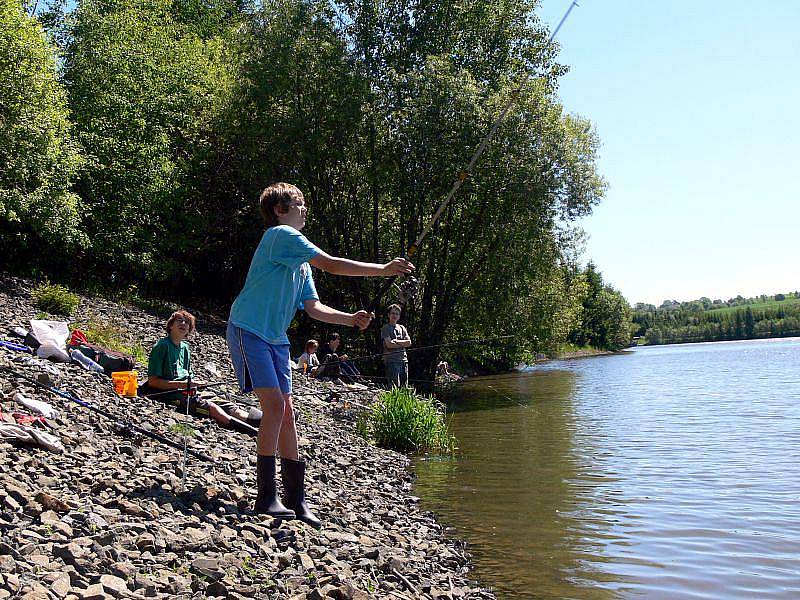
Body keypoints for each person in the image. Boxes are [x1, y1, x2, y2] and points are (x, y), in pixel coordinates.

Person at [226, 182, 414, 527]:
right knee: (274, 407)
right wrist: (384, 269)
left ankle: (296, 500)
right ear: (280, 211)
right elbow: (333, 264)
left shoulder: (300, 264)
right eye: (298, 204)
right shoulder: (279, 234)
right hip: (248, 330)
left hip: (276, 340)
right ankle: (267, 497)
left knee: (288, 415)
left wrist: (349, 319)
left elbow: (313, 307)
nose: (304, 209)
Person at [140, 310, 259, 436]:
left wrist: (196, 384)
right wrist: (183, 385)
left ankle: (263, 422)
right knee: (213, 408)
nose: (183, 323)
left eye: (187, 322)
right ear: (170, 325)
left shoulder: (185, 348)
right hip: (170, 393)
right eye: (179, 320)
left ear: (189, 330)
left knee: (230, 406)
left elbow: (187, 375)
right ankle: (253, 433)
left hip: (188, 389)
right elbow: (153, 382)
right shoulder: (162, 346)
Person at [381, 304, 411, 387]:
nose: (394, 315)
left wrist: (396, 341)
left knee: (404, 386)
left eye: (397, 314)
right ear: (388, 315)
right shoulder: (385, 328)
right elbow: (389, 344)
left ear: (399, 316)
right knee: (394, 386)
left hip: (404, 360)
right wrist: (402, 343)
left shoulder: (402, 328)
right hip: (392, 360)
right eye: (393, 313)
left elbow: (409, 343)